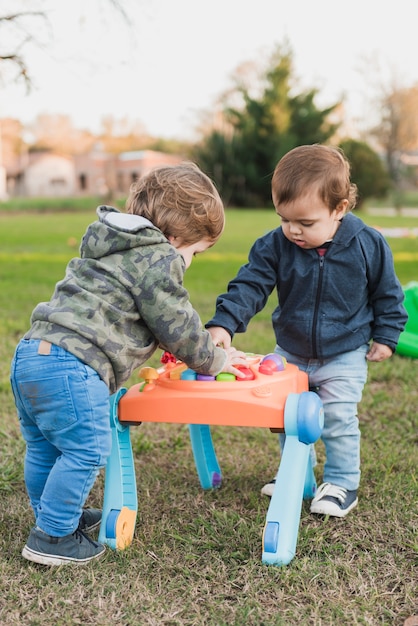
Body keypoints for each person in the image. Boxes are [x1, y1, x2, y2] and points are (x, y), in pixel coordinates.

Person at [10, 162, 247, 566]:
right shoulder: (158, 257)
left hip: (31, 354)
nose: (189, 262)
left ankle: (54, 516)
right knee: (87, 450)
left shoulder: (111, 246)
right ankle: (51, 537)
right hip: (74, 364)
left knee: (45, 447)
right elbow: (178, 325)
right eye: (193, 252)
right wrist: (216, 357)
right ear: (174, 237)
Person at [206, 144, 408, 518]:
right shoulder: (275, 245)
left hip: (344, 354)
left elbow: (388, 294)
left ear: (339, 209)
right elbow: (250, 285)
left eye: (306, 222)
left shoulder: (368, 244)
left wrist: (387, 336)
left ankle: (341, 482)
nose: (293, 230)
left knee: (336, 418)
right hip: (292, 352)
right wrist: (224, 322)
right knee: (286, 416)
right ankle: (298, 476)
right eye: (284, 218)